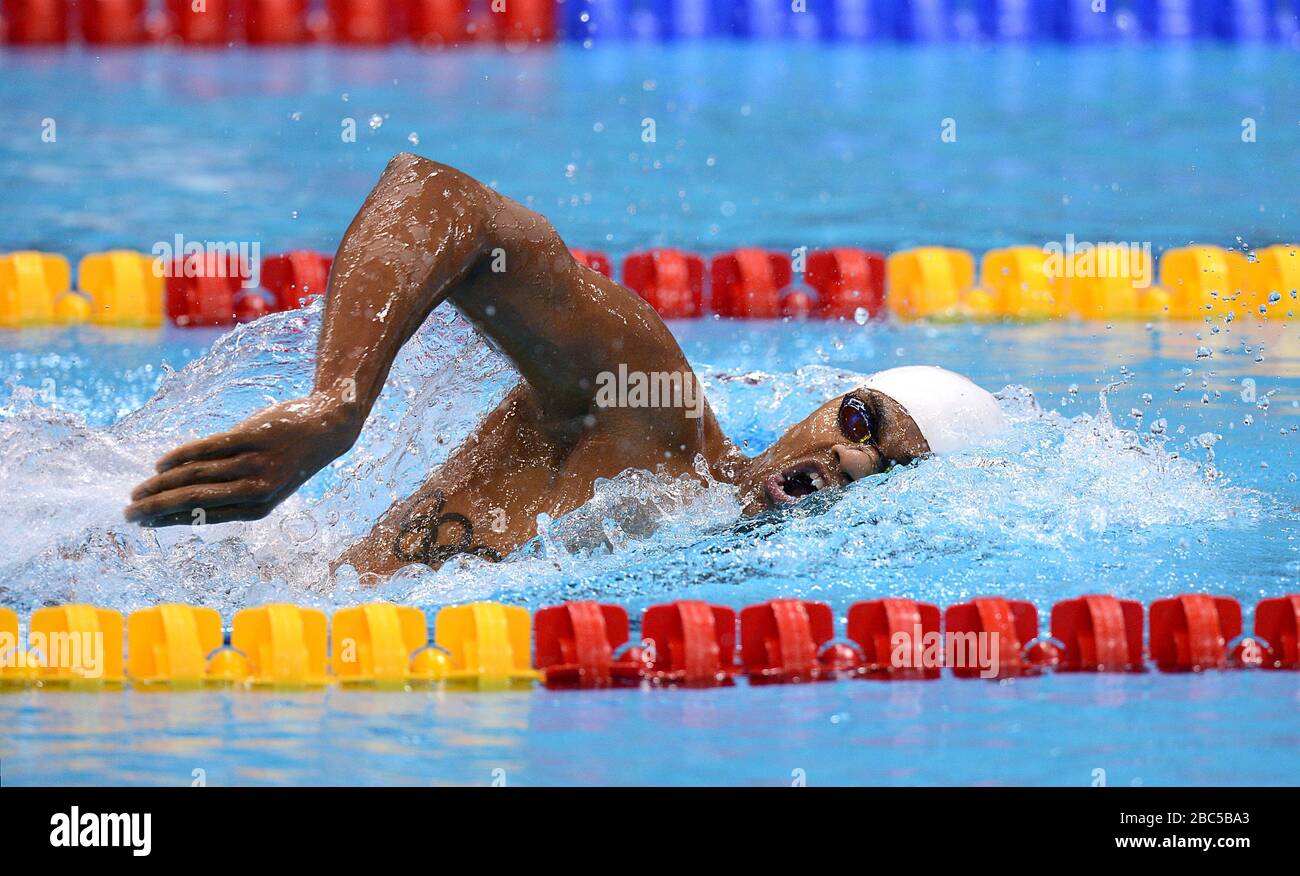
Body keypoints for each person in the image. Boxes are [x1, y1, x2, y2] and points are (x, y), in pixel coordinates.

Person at [125, 153, 1006, 574]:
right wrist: (340, 401)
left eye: (893, 473)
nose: (855, 459)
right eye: (862, 422)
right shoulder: (647, 415)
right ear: (822, 407)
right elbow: (441, 197)